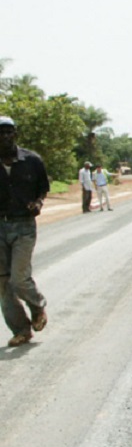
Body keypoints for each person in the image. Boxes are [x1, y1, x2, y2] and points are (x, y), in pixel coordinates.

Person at [0, 117, 49, 347]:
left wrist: (38, 203)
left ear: (15, 134)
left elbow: (42, 189)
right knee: (2, 283)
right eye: (1, 133)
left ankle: (37, 305)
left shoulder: (32, 160)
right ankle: (21, 329)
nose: (5, 137)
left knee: (19, 278)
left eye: (9, 132)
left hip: (24, 226)